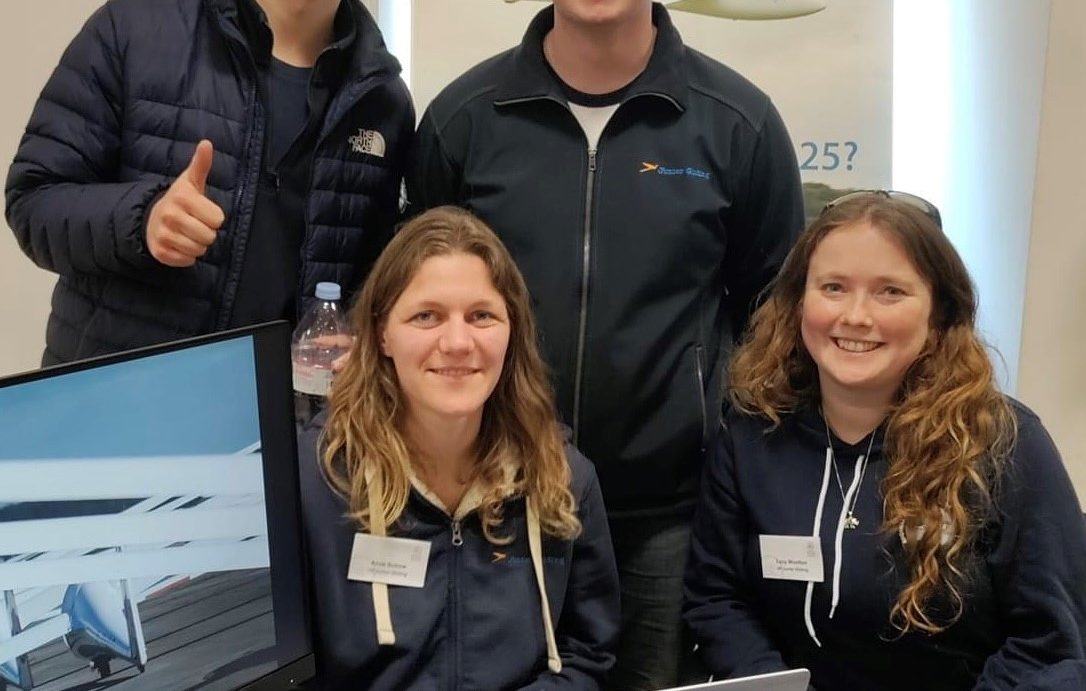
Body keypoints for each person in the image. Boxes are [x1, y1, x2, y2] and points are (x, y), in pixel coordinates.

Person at [406, 2, 805, 686]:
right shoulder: (464, 120)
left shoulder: (738, 123)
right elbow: (414, 298)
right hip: (494, 503)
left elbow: (775, 323)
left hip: (666, 514)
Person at [683, 191, 1086, 690]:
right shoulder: (751, 435)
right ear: (798, 303)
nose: (856, 315)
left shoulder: (1005, 445)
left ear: (939, 316)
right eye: (833, 287)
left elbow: (1049, 643)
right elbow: (718, 598)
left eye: (890, 292)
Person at [296, 206, 621, 690]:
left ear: (512, 331)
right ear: (382, 334)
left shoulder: (563, 477)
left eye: (481, 316)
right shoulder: (313, 479)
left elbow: (587, 654)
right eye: (426, 316)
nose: (457, 342)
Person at [5, 0, 413, 366]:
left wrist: (366, 340)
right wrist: (144, 219)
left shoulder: (382, 99)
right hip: (119, 396)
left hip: (284, 412)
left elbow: (374, 279)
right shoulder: (136, 29)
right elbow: (33, 198)